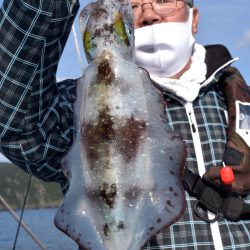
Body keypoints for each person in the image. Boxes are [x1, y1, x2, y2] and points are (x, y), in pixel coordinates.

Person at [0, 0, 250, 250]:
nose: (149, 14)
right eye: (133, 7)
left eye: (164, 1)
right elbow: (16, 124)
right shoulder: (80, 106)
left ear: (194, 19)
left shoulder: (239, 99)